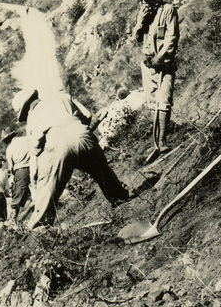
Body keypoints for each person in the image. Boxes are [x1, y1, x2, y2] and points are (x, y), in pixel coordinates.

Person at [11, 88, 131, 229]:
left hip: (56, 146)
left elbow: (36, 147)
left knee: (48, 186)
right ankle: (118, 197)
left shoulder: (32, 118)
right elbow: (87, 115)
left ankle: (39, 225)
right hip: (81, 133)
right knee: (101, 170)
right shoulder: (63, 96)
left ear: (25, 110)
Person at [130, 0, 179, 155]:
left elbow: (172, 38)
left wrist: (160, 57)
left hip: (164, 63)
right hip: (148, 63)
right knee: (152, 102)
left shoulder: (168, 10)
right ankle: (156, 142)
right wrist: (140, 22)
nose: (142, 2)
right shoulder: (142, 14)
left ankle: (162, 140)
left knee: (164, 100)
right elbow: (136, 38)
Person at [3, 129, 32, 224]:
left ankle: (14, 220)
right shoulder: (26, 139)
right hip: (34, 165)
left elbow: (11, 167)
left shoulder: (9, 148)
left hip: (21, 170)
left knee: (18, 194)